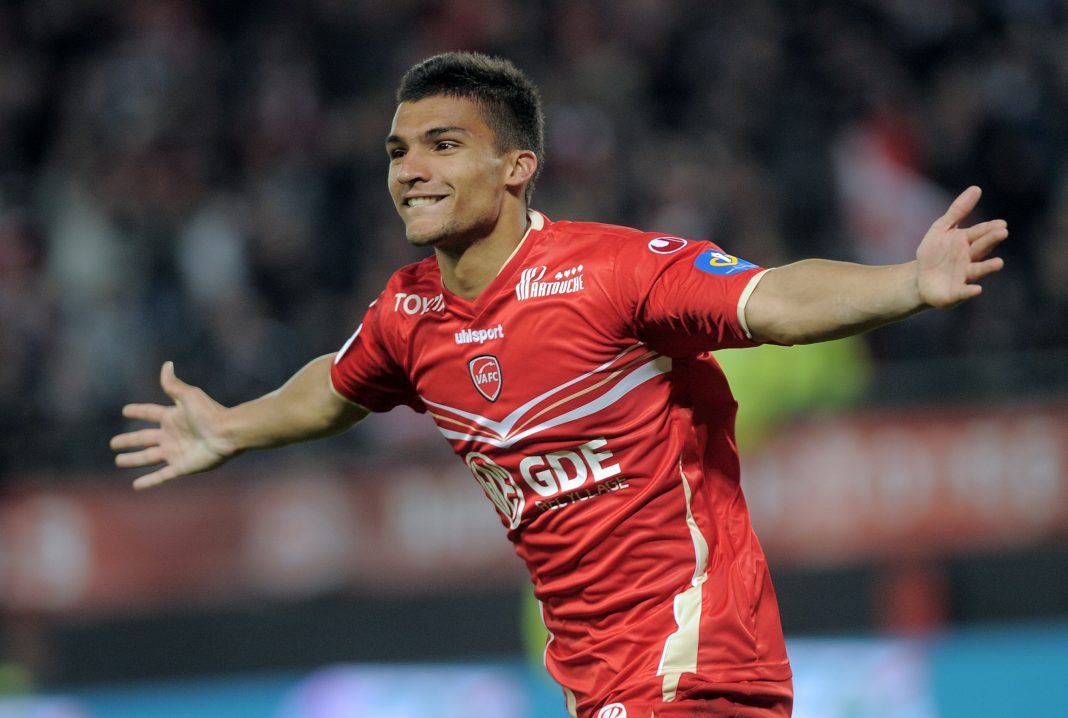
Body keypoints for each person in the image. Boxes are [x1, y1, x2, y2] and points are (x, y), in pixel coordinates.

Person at [110, 52, 1007, 718]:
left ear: (517, 168)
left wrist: (908, 283)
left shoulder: (611, 273)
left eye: (443, 145)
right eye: (398, 150)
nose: (410, 169)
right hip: (601, 686)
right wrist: (231, 428)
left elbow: (772, 299)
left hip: (692, 666)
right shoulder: (408, 314)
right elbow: (335, 388)